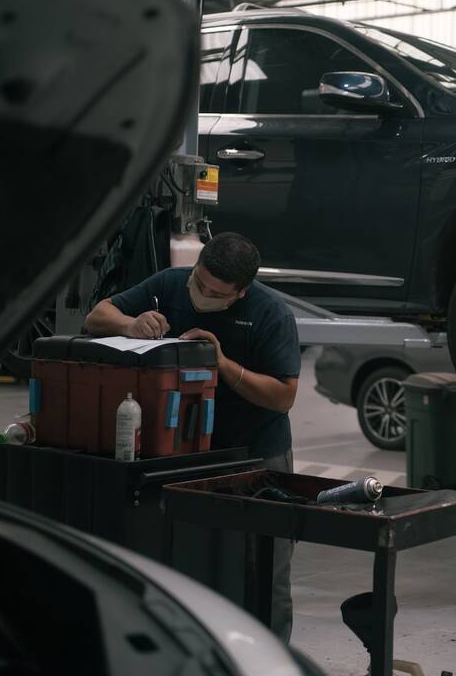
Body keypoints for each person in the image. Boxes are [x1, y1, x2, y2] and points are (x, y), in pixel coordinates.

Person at [85, 232, 300, 641]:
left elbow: (283, 396)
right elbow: (97, 316)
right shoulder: (170, 284)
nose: (202, 294)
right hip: (188, 453)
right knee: (190, 560)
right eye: (199, 283)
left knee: (264, 572)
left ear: (240, 293)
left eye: (216, 293)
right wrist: (131, 323)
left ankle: (270, 658)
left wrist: (221, 364)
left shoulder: (272, 314)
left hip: (256, 455)